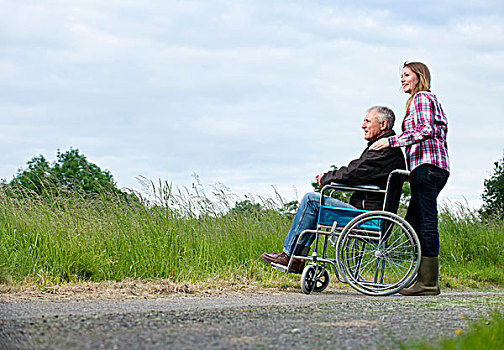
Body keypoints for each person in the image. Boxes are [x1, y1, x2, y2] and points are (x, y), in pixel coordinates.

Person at [261, 106, 406, 273]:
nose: (362, 125)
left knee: (311, 199)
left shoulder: (384, 150)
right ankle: (297, 259)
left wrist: (326, 178)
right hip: (370, 214)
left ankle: (290, 255)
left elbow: (355, 172)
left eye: (367, 121)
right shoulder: (384, 149)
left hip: (368, 218)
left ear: (383, 125)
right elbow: (358, 172)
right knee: (316, 205)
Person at [370, 61, 449, 296]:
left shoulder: (422, 98)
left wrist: (390, 141)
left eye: (406, 75)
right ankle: (420, 278)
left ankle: (428, 283)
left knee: (425, 223)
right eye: (401, 76)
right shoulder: (424, 100)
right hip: (431, 168)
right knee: (415, 222)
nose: (402, 79)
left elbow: (425, 130)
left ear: (419, 76)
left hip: (427, 167)